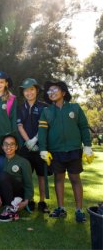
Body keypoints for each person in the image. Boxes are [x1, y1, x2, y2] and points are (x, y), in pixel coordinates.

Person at [38, 80, 94, 223]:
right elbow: (42, 132)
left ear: (63, 92)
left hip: (74, 150)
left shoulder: (75, 108)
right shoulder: (46, 111)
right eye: (49, 91)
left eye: (55, 89)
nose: (52, 92)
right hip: (56, 152)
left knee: (75, 179)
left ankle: (79, 210)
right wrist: (43, 149)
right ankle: (61, 208)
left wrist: (87, 146)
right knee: (58, 179)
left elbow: (83, 127)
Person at [0, 133, 33, 222]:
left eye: (12, 144)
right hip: (3, 190)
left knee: (3, 175)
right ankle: (9, 204)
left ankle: (10, 211)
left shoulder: (23, 162)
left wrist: (26, 201)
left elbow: (28, 184)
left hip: (17, 192)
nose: (8, 146)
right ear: (2, 147)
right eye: (6, 144)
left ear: (16, 147)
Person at [17, 78, 50, 213]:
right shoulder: (20, 108)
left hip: (40, 147)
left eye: (31, 89)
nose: (29, 92)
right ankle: (29, 200)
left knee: (41, 176)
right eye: (26, 90)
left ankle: (42, 202)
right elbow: (20, 126)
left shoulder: (44, 107)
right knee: (27, 176)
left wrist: (35, 140)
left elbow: (44, 126)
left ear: (36, 90)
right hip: (26, 147)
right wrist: (28, 142)